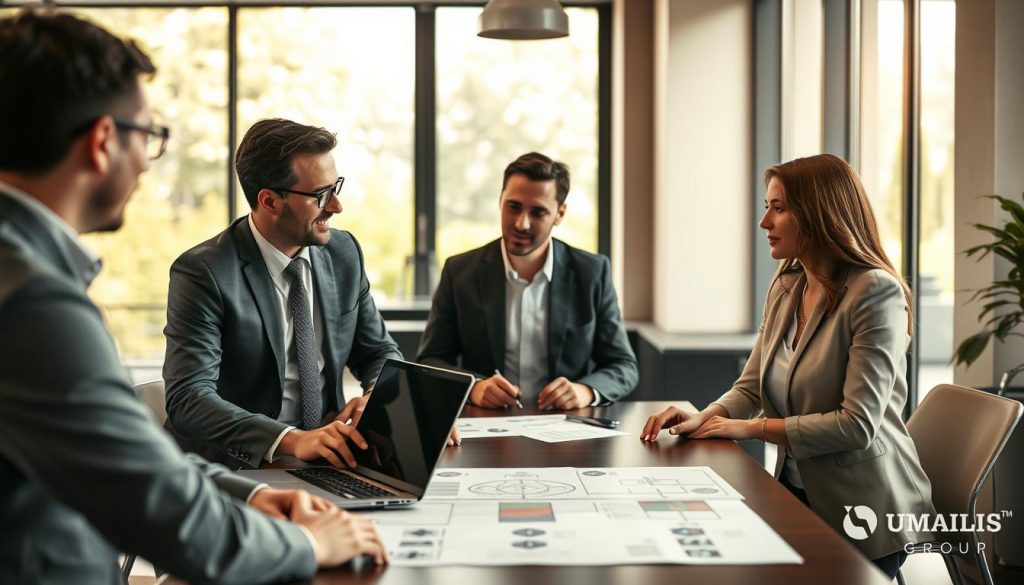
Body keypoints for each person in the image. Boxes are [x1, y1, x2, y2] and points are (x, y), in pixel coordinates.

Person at [0, 7, 385, 583]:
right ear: (104, 141)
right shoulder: (33, 302)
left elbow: (126, 464)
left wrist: (248, 498)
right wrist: (306, 544)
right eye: (149, 137)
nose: (148, 165)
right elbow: (157, 503)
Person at [641, 154, 935, 579]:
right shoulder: (787, 283)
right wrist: (705, 419)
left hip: (864, 510)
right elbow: (751, 389)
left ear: (820, 214)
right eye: (767, 207)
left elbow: (856, 426)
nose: (765, 223)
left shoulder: (875, 292)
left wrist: (747, 429)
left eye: (779, 208)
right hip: (796, 494)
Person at [163, 118, 405, 469]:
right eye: (321, 195)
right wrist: (290, 440)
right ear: (270, 201)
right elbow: (189, 398)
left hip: (330, 458)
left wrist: (376, 397)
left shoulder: (344, 253)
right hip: (237, 469)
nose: (336, 206)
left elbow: (377, 351)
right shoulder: (204, 273)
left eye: (336, 187)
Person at [417, 152, 638, 410]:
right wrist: (474, 387)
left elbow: (624, 365)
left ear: (560, 213)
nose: (522, 223)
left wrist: (586, 391)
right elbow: (431, 361)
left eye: (538, 212)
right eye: (513, 207)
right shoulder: (459, 271)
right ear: (500, 200)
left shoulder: (592, 272)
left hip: (567, 430)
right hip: (486, 426)